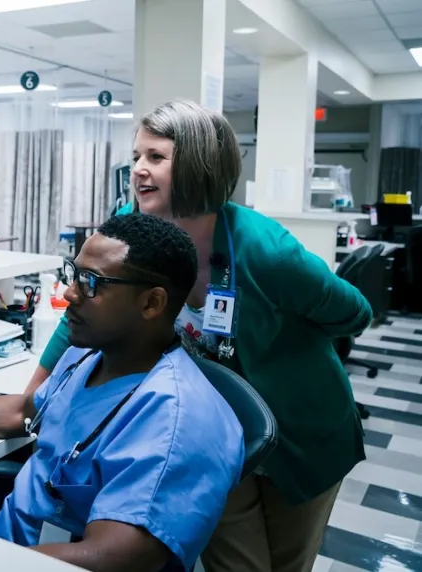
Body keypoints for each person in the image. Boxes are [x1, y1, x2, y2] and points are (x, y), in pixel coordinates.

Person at [32, 100, 373, 572]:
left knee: (286, 565)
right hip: (216, 432)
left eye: (156, 156)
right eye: (136, 157)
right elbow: (81, 303)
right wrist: (35, 390)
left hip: (304, 431)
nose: (138, 170)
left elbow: (354, 313)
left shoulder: (266, 252)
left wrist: (285, 346)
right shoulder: (134, 227)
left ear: (197, 163)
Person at [0, 213, 244, 572]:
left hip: (27, 560)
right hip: (4, 535)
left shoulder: (176, 420)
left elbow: (115, 558)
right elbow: (20, 411)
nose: (70, 293)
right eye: (73, 274)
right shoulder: (88, 356)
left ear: (152, 303)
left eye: (90, 284)